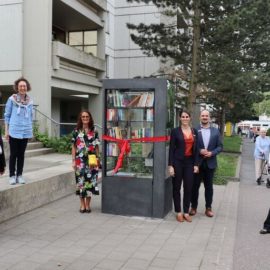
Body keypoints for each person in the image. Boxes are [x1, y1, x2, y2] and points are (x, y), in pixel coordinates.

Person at [190, 110, 223, 218]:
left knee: (209, 187)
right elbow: (191, 145)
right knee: (195, 186)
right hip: (197, 163)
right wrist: (199, 151)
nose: (205, 117)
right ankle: (193, 207)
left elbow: (220, 146)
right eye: (203, 115)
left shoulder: (215, 131)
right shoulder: (194, 130)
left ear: (209, 118)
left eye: (206, 116)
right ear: (200, 117)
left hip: (210, 163)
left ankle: (208, 208)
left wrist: (212, 153)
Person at [168, 110, 199, 223]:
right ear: (180, 118)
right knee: (176, 187)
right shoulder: (175, 131)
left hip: (189, 162)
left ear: (190, 118)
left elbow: (196, 149)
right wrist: (170, 165)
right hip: (177, 162)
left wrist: (196, 164)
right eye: (183, 116)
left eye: (187, 116)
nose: (185, 118)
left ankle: (186, 211)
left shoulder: (194, 131)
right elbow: (171, 149)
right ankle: (179, 212)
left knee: (188, 187)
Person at [4, 77, 33, 185]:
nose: (22, 87)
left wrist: (31, 131)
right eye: (20, 86)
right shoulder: (11, 99)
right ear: (17, 87)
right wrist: (6, 131)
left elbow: (30, 116)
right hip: (14, 131)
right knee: (13, 154)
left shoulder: (30, 101)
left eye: (24, 86)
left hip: (25, 131)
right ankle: (12, 175)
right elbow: (7, 116)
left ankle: (19, 175)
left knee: (21, 154)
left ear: (27, 87)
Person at [71, 110, 100, 213]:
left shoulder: (94, 131)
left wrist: (98, 159)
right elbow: (73, 147)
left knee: (90, 183)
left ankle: (88, 205)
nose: (85, 118)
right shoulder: (76, 131)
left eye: (87, 116)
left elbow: (96, 146)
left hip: (91, 161)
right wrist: (73, 161)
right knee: (81, 183)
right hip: (80, 161)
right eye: (83, 117)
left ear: (90, 118)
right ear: (80, 118)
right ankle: (82, 205)